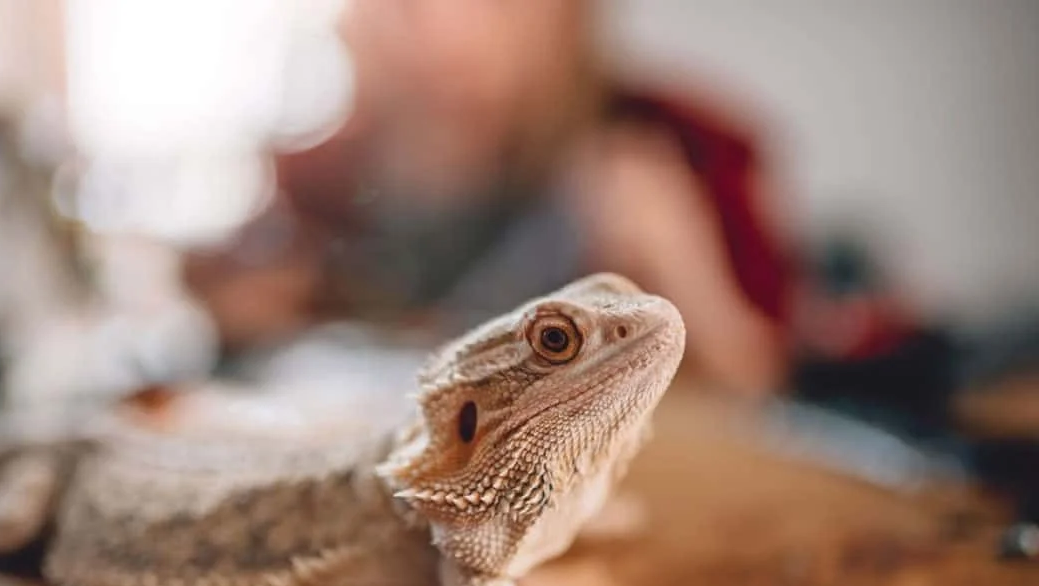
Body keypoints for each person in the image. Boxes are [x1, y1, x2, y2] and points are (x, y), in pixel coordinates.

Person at [183, 0, 797, 398]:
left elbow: (756, 387)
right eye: (414, 7)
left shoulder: (681, 140)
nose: (452, 33)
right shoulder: (329, 162)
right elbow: (236, 296)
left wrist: (681, 274)